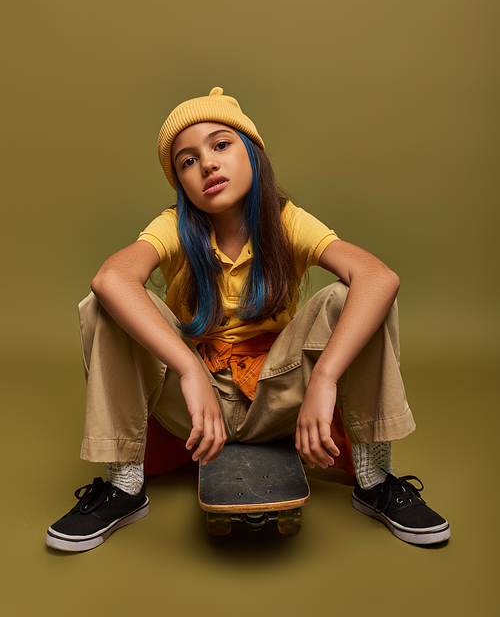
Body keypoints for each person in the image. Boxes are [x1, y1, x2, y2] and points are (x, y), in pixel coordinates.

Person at [46, 87, 450, 552]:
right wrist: (186, 370)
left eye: (221, 145)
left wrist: (326, 380)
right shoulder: (175, 225)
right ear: (181, 183)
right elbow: (110, 278)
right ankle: (124, 485)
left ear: (252, 154)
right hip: (197, 409)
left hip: (279, 397)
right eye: (187, 161)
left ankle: (374, 477)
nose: (208, 165)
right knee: (106, 303)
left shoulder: (286, 220)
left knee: (351, 296)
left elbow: (379, 277)